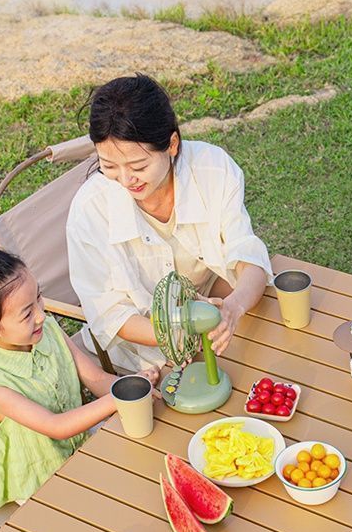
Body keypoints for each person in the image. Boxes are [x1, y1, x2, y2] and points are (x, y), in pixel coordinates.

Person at [66, 73, 273, 375]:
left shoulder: (212, 169)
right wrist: (181, 333)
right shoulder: (90, 210)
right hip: (142, 348)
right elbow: (111, 315)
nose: (126, 180)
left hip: (211, 307)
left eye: (138, 166)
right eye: (108, 166)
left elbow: (246, 253)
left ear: (172, 144)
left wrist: (234, 307)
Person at [0, 247, 158, 507]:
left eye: (38, 297)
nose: (41, 314)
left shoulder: (46, 329)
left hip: (77, 445)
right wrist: (117, 399)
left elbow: (96, 379)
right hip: (35, 478)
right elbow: (56, 427)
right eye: (27, 313)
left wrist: (135, 384)